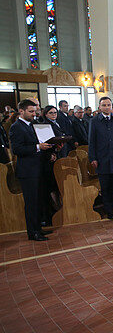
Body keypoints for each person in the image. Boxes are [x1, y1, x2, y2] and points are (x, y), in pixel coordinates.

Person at [9, 99, 54, 241]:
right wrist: (37, 147)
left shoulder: (32, 125)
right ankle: (32, 232)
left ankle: (38, 228)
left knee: (39, 200)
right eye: (31, 111)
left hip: (38, 168)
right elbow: (17, 149)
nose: (34, 114)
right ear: (21, 111)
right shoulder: (17, 127)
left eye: (35, 111)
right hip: (28, 171)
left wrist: (49, 149)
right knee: (31, 202)